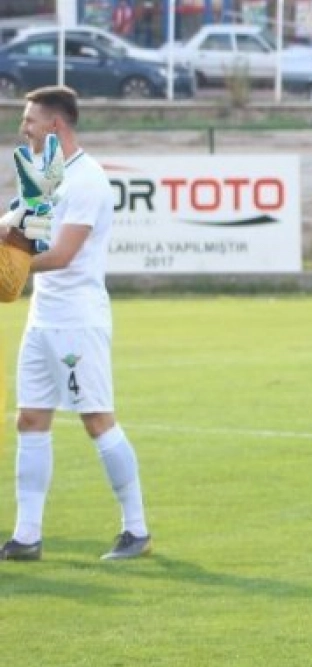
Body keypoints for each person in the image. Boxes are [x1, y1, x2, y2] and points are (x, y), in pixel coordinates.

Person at [0, 86, 152, 562]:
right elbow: (14, 224)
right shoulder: (43, 176)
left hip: (77, 321)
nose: (23, 128)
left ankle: (136, 529)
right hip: (43, 317)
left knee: (97, 421)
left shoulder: (87, 180)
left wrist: (15, 262)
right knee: (30, 419)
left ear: (55, 125)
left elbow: (63, 254)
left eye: (29, 120)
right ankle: (27, 536)